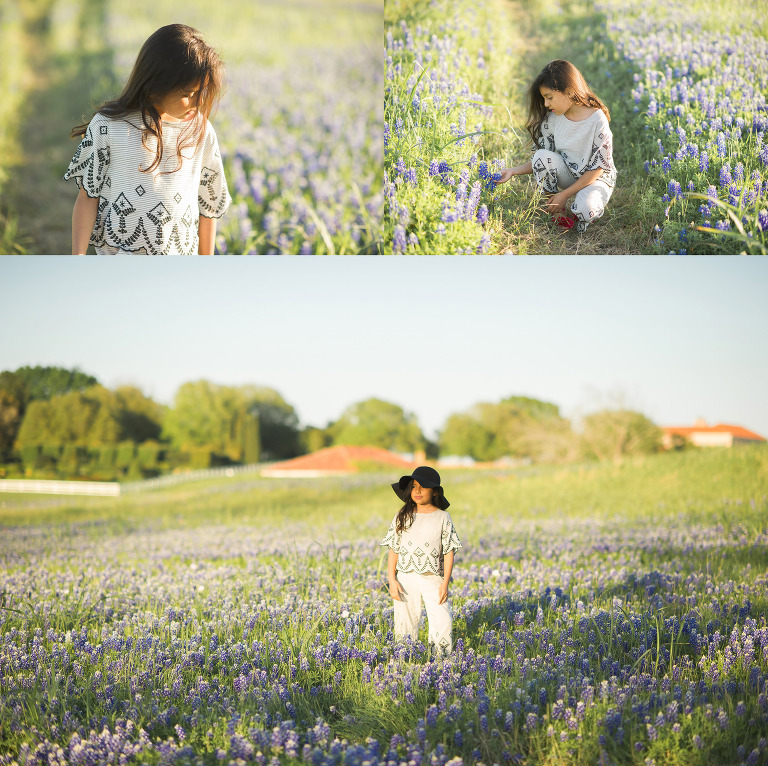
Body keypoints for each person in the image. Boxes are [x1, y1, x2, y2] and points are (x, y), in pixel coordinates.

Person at [65, 24, 231, 255]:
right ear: (155, 85)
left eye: (200, 93)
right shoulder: (108, 126)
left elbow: (208, 208)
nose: (197, 103)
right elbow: (87, 197)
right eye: (187, 95)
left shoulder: (201, 130)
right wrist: (78, 257)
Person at [495, 59, 616, 234]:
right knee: (541, 156)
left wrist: (565, 194)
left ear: (569, 92)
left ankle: (580, 212)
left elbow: (597, 169)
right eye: (544, 98)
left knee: (585, 208)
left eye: (549, 97)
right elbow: (541, 159)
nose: (546, 104)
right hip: (570, 172)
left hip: (597, 179)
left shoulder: (597, 119)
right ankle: (556, 210)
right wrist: (512, 171)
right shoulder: (553, 118)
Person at [380, 466, 462, 658]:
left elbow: (448, 551)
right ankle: (403, 658)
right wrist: (392, 579)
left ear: (434, 492)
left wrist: (445, 582)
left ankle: (441, 660)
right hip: (405, 578)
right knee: (404, 620)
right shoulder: (403, 515)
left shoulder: (443, 517)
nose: (417, 491)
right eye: (414, 486)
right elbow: (394, 549)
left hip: (433, 577)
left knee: (442, 619)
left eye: (423, 487)